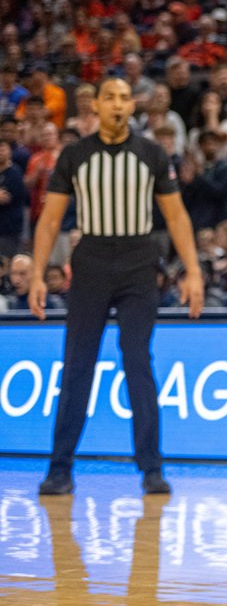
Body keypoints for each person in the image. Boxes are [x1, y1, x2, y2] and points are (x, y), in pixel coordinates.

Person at [31, 78, 204, 496]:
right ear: (96, 105)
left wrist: (193, 271)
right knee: (77, 364)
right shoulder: (75, 154)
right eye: (110, 97)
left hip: (138, 261)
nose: (118, 104)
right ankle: (60, 468)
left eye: (125, 97)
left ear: (132, 106)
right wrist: (37, 272)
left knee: (138, 361)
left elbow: (178, 217)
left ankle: (151, 469)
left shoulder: (151, 153)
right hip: (90, 260)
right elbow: (51, 219)